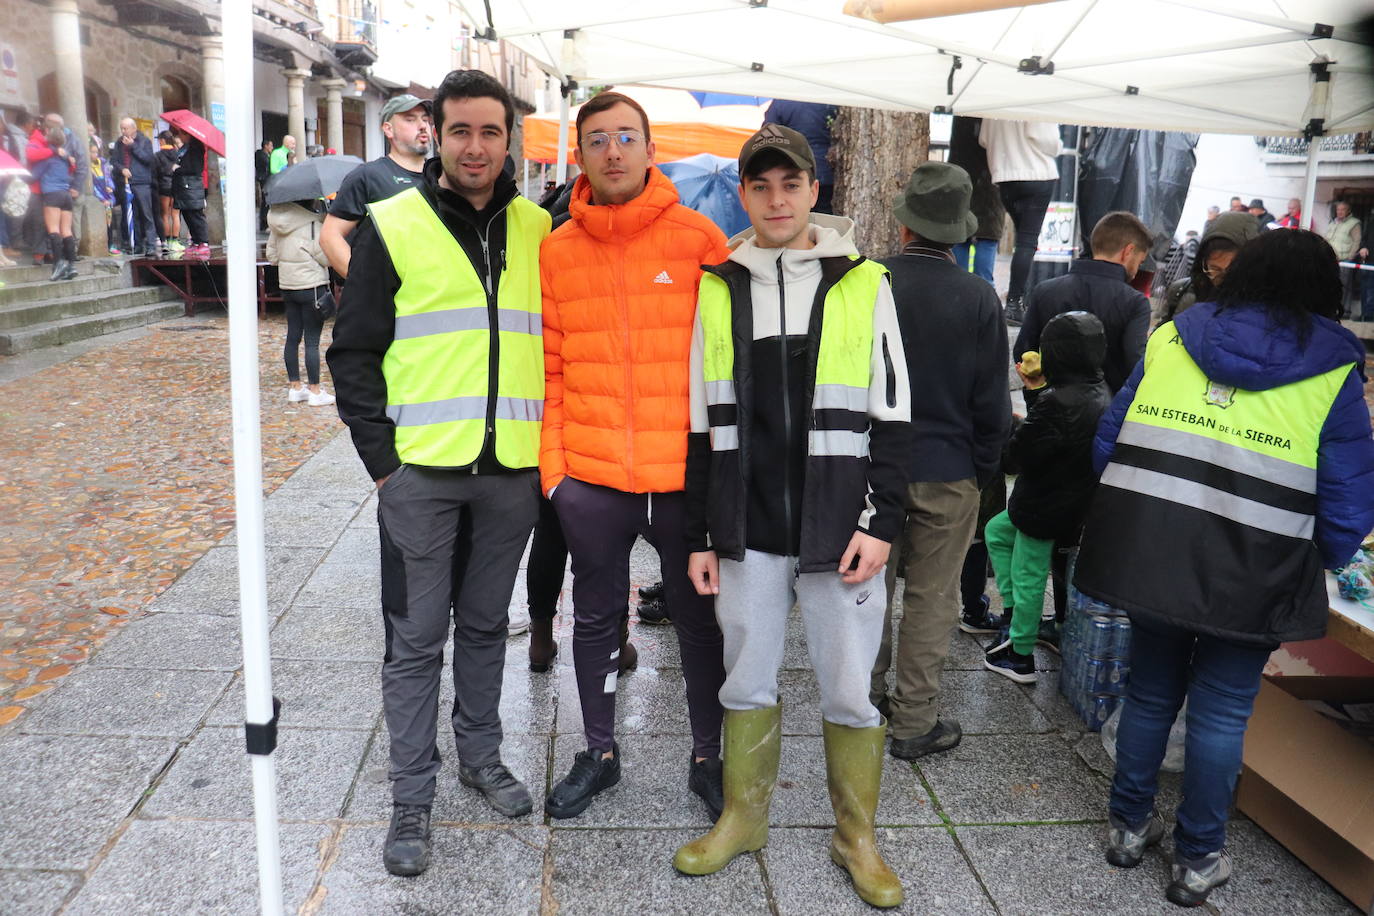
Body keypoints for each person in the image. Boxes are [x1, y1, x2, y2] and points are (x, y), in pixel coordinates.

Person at [1074, 229, 1374, 907]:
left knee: (1149, 692)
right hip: (1258, 568)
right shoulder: (1334, 372)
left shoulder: (1174, 338)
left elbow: (1107, 444)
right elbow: (1349, 507)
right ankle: (1198, 861)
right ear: (1327, 292)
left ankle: (1126, 829)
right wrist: (1307, 562)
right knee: (1221, 712)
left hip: (1151, 552)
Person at [671, 124, 911, 908]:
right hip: (745, 529)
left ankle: (857, 837)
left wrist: (883, 523)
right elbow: (702, 421)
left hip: (839, 529)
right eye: (760, 186)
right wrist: (702, 535)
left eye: (791, 184)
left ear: (815, 190)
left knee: (849, 687)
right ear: (743, 194)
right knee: (746, 679)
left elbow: (898, 414)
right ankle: (743, 817)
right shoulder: (718, 285)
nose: (776, 199)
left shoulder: (864, 282)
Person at [326, 68, 551, 877]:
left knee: (488, 625)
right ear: (434, 134)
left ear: (508, 139)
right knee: (416, 642)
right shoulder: (391, 223)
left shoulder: (536, 227)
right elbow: (352, 352)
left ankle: (481, 758)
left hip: (509, 473)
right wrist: (384, 467)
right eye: (461, 131)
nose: (476, 146)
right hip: (421, 471)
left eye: (491, 132)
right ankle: (410, 797)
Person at [538, 90, 727, 821]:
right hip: (591, 479)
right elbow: (550, 368)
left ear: (651, 148)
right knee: (592, 620)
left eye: (626, 136)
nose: (612, 150)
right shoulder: (556, 250)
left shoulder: (699, 239)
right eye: (597, 139)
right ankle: (599, 752)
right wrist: (557, 476)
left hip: (682, 481)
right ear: (579, 154)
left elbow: (723, 368)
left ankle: (708, 755)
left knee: (700, 621)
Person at [866, 161, 1010, 761]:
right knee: (932, 598)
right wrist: (981, 474)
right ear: (957, 234)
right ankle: (913, 722)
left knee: (866, 591)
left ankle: (861, 702)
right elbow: (992, 408)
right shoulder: (978, 297)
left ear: (904, 227)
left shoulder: (867, 282)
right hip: (949, 470)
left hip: (872, 467)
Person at [983, 311, 1111, 684]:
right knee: (997, 532)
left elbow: (1014, 457)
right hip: (1071, 501)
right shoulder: (1099, 390)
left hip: (1043, 507)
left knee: (1029, 574)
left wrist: (1018, 423)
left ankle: (1020, 654)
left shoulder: (1060, 403)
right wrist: (1038, 391)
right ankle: (1014, 617)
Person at [1013, 211, 1151, 397]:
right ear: (1128, 252)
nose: (1135, 272)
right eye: (1139, 262)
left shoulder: (1045, 290)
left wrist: (1042, 390)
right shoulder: (1135, 302)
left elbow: (1024, 351)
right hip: (1105, 414)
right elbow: (1134, 361)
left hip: (1048, 408)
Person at [320, 95, 431, 279]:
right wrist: (364, 284)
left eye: (426, 120)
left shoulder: (444, 176)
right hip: (389, 301)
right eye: (410, 119)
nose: (422, 126)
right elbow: (330, 236)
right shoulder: (367, 177)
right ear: (388, 129)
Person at [979, 119, 1060, 323]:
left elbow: (984, 139)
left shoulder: (998, 102)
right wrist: (1058, 146)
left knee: (1023, 240)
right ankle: (1015, 303)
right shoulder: (1032, 97)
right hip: (1037, 172)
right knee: (1027, 242)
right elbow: (1046, 138)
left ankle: (1016, 300)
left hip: (1005, 177)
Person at [266, 199, 334, 406]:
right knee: (312, 341)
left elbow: (272, 256)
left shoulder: (277, 225)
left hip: (288, 287)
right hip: (311, 286)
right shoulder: (314, 224)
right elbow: (326, 258)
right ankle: (314, 390)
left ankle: (295, 387)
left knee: (293, 336)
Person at [1156, 210, 1259, 326]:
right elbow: (1159, 337)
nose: (1221, 279)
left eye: (1231, 271)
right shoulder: (1180, 291)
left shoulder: (1262, 306)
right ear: (1202, 262)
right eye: (1214, 269)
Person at [947, 116, 1006, 285]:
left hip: (960, 183)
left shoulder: (962, 113)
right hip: (991, 183)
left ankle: (959, 289)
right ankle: (983, 294)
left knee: (960, 238)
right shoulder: (995, 115)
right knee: (987, 239)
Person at [763, 98, 837, 214]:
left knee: (796, 218)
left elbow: (767, 138)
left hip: (795, 173)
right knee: (826, 219)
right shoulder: (830, 100)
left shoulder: (782, 102)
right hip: (827, 173)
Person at [27, 123, 78, 281]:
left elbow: (33, 176)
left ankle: (58, 264)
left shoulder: (48, 159)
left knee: (54, 230)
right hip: (66, 196)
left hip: (52, 195)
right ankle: (71, 266)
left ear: (49, 140)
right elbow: (71, 171)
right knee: (67, 231)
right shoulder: (66, 160)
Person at [113, 118, 158, 257]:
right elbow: (114, 160)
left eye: (125, 128)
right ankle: (137, 245)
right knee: (132, 216)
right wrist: (122, 169)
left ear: (133, 128)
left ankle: (151, 245)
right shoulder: (119, 143)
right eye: (121, 128)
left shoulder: (144, 141)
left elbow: (148, 159)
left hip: (142, 182)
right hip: (127, 183)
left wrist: (133, 146)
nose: (123, 131)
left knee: (146, 214)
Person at [169, 125, 210, 257]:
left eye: (181, 134)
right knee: (186, 214)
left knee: (195, 215)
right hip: (182, 186)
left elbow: (194, 168)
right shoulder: (184, 148)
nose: (179, 137)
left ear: (187, 134)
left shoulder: (196, 148)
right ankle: (196, 242)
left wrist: (177, 169)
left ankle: (203, 242)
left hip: (191, 186)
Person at [1325, 200, 1361, 317]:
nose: (1339, 212)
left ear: (1348, 211)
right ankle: (1331, 309)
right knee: (1330, 285)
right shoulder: (1333, 222)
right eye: (1338, 210)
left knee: (1344, 287)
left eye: (1342, 210)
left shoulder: (1354, 223)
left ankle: (1345, 311)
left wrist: (1350, 257)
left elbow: (1357, 241)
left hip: (1345, 260)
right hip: (1331, 260)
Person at [155, 131, 181, 251]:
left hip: (163, 187)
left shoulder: (158, 155)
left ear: (162, 140)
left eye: (159, 140)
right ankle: (174, 242)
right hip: (176, 186)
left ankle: (165, 241)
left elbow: (156, 172)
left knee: (164, 215)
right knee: (175, 215)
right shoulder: (177, 153)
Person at [255, 139, 273, 231]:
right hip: (263, 180)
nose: (272, 148)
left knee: (266, 201)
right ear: (266, 146)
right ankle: (264, 223)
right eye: (270, 145)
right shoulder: (262, 156)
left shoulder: (266, 155)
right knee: (265, 201)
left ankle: (265, 223)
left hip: (264, 179)